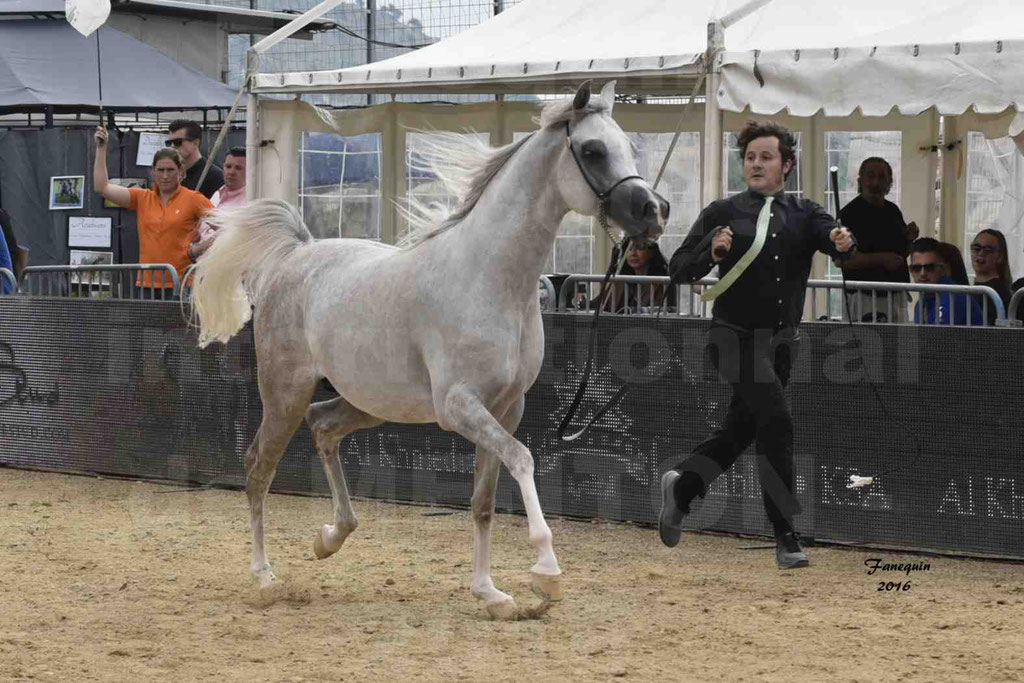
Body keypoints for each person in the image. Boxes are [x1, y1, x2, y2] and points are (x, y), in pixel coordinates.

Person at [660, 120, 855, 570]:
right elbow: (678, 269)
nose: (756, 164)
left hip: (781, 346)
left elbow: (834, 239)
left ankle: (683, 488)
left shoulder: (806, 212)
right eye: (750, 157)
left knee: (740, 432)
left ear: (786, 164)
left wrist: (844, 241)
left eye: (766, 157)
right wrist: (711, 251)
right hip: (732, 338)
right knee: (778, 421)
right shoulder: (721, 211)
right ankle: (785, 533)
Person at [94, 126, 213, 297]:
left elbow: (226, 228)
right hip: (146, 285)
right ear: (153, 172)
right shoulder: (142, 198)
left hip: (181, 285)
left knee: (176, 325)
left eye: (171, 170)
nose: (165, 176)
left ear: (181, 172)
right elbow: (101, 187)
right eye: (160, 170)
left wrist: (199, 249)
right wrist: (101, 148)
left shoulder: (194, 198)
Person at [835, 157, 917, 322]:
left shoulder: (893, 211)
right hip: (863, 297)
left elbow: (901, 254)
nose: (876, 182)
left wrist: (909, 239)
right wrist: (881, 259)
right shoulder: (848, 215)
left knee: (898, 346)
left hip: (896, 294)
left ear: (889, 182)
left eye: (881, 177)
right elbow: (840, 260)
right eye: (870, 176)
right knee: (867, 347)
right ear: (860, 180)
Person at [909, 238, 984, 326]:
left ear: (942, 269)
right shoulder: (921, 303)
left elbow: (940, 338)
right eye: (916, 268)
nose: (922, 273)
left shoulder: (955, 297)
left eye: (930, 267)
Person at [190, 146, 246, 262]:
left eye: (238, 168)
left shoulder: (250, 201)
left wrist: (200, 248)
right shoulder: (216, 195)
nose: (231, 172)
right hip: (202, 266)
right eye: (228, 166)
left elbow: (237, 237)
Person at [599, 238, 677, 313]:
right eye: (629, 249)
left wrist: (638, 311)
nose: (633, 254)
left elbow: (670, 310)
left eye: (639, 248)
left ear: (651, 252)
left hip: (650, 325)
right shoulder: (621, 279)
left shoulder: (663, 281)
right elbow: (602, 303)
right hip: (621, 325)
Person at [166, 119, 223, 199]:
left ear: (195, 143)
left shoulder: (214, 176)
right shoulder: (171, 175)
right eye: (169, 142)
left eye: (178, 142)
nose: (172, 146)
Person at [968, 229, 1012, 325]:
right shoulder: (975, 289)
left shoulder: (999, 294)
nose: (981, 253)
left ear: (1000, 256)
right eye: (977, 248)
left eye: (988, 250)